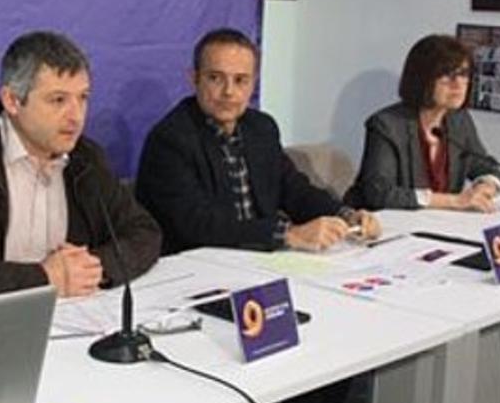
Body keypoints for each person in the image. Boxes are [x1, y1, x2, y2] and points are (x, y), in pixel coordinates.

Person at [0, 31, 161, 308]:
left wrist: (93, 267)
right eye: (58, 100)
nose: (76, 116)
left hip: (73, 317)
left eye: (83, 98)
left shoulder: (86, 158)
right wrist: (43, 277)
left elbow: (144, 233)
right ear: (12, 101)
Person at [137, 28, 380, 256]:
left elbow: (294, 189)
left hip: (261, 258)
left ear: (253, 84)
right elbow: (198, 225)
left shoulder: (261, 128)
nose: (229, 92)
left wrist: (346, 215)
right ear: (194, 79)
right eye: (215, 78)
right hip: (202, 264)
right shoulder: (169, 140)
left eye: (240, 80)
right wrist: (288, 234)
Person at [346, 35, 500, 213]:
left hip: (434, 223)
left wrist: (485, 187)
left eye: (463, 74)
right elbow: (379, 193)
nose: (458, 84)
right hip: (381, 225)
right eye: (447, 75)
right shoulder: (386, 125)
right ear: (422, 79)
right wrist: (454, 201)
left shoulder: (459, 120)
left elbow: (487, 167)